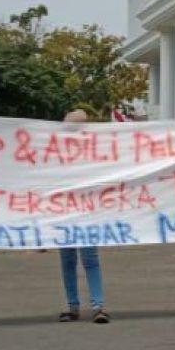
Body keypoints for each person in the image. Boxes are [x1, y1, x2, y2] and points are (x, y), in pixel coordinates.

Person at [57, 109, 111, 323]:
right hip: (67, 212)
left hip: (81, 212)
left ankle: (86, 306)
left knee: (83, 260)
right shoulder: (60, 154)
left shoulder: (91, 153)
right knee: (75, 260)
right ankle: (86, 306)